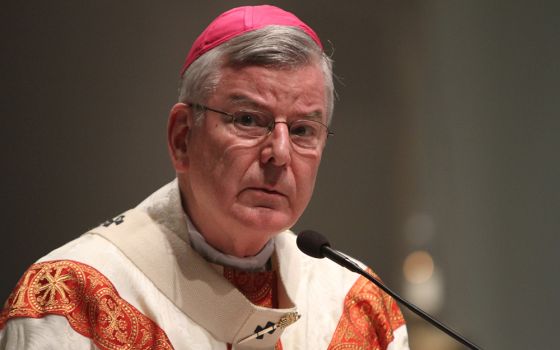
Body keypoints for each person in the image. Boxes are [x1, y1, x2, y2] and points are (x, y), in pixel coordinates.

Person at [0, 5, 408, 350]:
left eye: (302, 130)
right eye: (248, 120)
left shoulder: (356, 301)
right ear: (182, 138)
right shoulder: (72, 296)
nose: (279, 154)